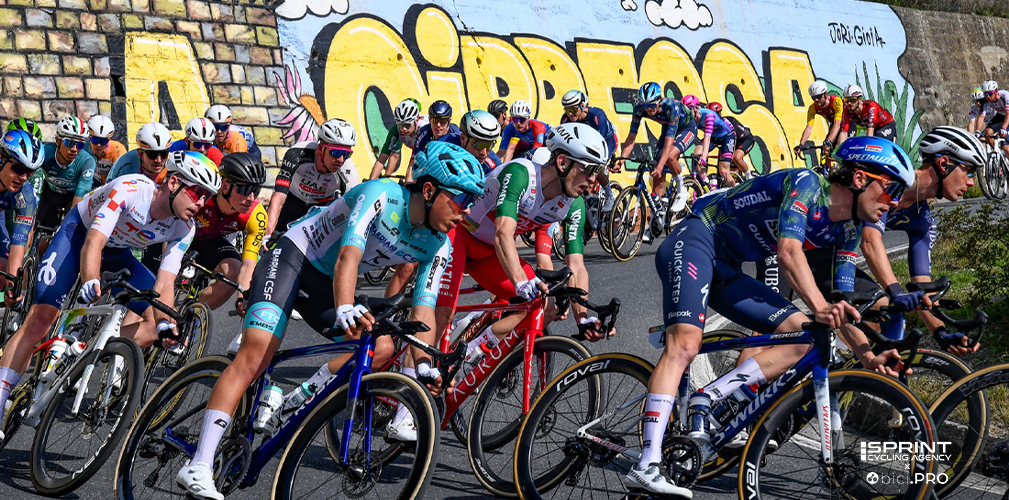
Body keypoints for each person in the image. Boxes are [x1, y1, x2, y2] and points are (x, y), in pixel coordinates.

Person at [174, 142, 486, 499]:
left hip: (328, 283)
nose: (466, 211)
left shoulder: (439, 243)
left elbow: (424, 309)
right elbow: (348, 258)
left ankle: (299, 396)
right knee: (256, 354)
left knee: (381, 346)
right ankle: (197, 464)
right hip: (295, 258)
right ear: (429, 190)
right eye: (461, 199)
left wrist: (426, 364)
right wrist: (344, 306)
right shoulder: (381, 195)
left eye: (472, 202)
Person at [624, 136, 914, 496]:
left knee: (805, 336)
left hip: (726, 268)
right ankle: (647, 464)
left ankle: (709, 396)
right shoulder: (807, 185)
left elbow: (841, 308)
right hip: (696, 238)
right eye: (891, 189)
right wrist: (821, 308)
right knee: (684, 344)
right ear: (859, 180)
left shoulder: (848, 230)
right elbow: (789, 252)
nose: (896, 201)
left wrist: (869, 357)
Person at [0, 153, 220, 444]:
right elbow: (94, 241)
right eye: (198, 193)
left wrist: (167, 322)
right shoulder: (130, 190)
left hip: (118, 254)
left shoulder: (184, 228)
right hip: (79, 234)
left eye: (208, 197)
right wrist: (91, 279)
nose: (202, 203)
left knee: (156, 323)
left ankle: (91, 348)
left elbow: (165, 284)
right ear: (174, 182)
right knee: (41, 319)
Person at [430, 123, 612, 432]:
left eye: (599, 173)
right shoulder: (521, 174)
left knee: (548, 305)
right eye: (589, 170)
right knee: (442, 312)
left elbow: (577, 265)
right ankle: (410, 402)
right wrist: (520, 281)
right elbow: (503, 232)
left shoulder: (574, 203)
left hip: (490, 254)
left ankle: (474, 350)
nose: (594, 181)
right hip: (459, 236)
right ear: (563, 162)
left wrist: (582, 317)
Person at [861, 126, 984, 355]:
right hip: (797, 245)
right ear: (944, 163)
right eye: (968, 170)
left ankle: (852, 382)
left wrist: (941, 333)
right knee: (885, 310)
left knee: (889, 318)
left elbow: (922, 286)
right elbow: (869, 241)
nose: (970, 182)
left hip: (833, 257)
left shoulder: (923, 221)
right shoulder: (891, 181)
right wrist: (897, 292)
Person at [144, 152, 267, 312]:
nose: (251, 198)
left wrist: (243, 295)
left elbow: (248, 263)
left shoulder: (256, 215)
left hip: (209, 242)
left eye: (256, 190)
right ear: (224, 186)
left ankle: (186, 314)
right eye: (245, 189)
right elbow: (171, 229)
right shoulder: (202, 196)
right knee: (151, 290)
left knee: (234, 270)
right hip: (173, 235)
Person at [264, 118, 360, 240]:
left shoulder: (348, 171)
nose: (341, 159)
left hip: (320, 209)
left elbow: (352, 213)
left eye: (347, 154)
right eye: (336, 152)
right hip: (292, 202)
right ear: (321, 149)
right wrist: (267, 235)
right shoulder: (297, 154)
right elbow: (278, 198)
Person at [618, 82, 697, 215]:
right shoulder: (639, 108)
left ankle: (681, 189)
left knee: (670, 157)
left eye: (652, 105)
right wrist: (621, 161)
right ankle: (658, 218)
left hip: (687, 128)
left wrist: (661, 165)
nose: (648, 109)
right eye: (645, 105)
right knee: (657, 174)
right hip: (668, 129)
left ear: (659, 100)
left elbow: (668, 144)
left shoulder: (672, 107)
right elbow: (631, 138)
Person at [0, 130, 43, 309]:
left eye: (30, 172)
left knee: (4, 272)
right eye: (19, 168)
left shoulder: (26, 195)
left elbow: (18, 244)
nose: (24, 177)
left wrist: (12, 286)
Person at [560, 89, 619, 210]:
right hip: (585, 143)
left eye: (573, 110)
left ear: (582, 106)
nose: (570, 114)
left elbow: (600, 143)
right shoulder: (565, 119)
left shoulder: (597, 116)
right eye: (567, 110)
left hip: (606, 142)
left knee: (596, 167)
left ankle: (609, 194)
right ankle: (586, 196)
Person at [35, 117, 96, 230]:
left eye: (80, 145)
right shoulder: (45, 152)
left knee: (70, 228)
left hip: (72, 197)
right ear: (58, 141)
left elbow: (81, 193)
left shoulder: (87, 161)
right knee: (41, 228)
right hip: (49, 194)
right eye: (69, 142)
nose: (74, 149)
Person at [683, 95, 737, 187]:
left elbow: (707, 138)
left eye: (688, 110)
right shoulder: (691, 117)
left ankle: (735, 194)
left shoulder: (708, 116)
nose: (686, 113)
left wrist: (704, 157)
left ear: (696, 108)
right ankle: (705, 182)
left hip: (726, 136)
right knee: (696, 154)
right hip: (714, 137)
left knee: (724, 171)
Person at [369, 98, 428, 180]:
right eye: (400, 125)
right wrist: (372, 182)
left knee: (412, 177)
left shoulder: (424, 129)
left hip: (427, 149)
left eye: (407, 125)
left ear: (417, 120)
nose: (403, 129)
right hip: (416, 147)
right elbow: (382, 160)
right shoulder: (396, 130)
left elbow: (413, 163)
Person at [108, 122, 174, 184]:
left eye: (164, 154)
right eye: (152, 155)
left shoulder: (174, 164)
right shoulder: (124, 162)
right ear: (140, 153)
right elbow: (108, 189)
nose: (158, 160)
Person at [796, 80, 844, 158]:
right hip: (834, 126)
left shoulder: (836, 101)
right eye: (813, 97)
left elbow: (837, 124)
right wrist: (800, 145)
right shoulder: (813, 108)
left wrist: (829, 141)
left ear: (826, 94)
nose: (816, 100)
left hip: (846, 124)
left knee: (838, 148)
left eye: (818, 96)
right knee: (824, 151)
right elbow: (808, 128)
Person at [708, 102, 756, 179]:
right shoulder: (711, 126)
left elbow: (733, 140)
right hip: (730, 141)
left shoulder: (728, 123)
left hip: (745, 139)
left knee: (736, 158)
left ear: (720, 113)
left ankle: (749, 177)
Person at [86, 115, 127, 188]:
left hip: (111, 184)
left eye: (103, 141)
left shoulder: (118, 150)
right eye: (95, 140)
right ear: (89, 137)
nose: (98, 145)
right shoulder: (83, 146)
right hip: (93, 181)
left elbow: (120, 180)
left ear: (109, 140)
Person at [978, 80, 1009, 156]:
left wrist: (1004, 128)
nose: (987, 97)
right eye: (985, 94)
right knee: (987, 133)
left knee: (1006, 148)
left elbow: (1008, 114)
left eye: (989, 94)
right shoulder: (985, 101)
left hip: (1007, 115)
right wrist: (977, 132)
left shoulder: (1005, 95)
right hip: (1001, 116)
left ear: (996, 92)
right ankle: (999, 153)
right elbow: (981, 117)